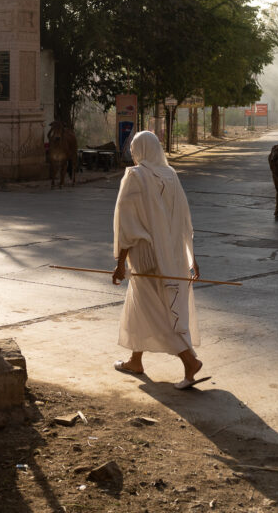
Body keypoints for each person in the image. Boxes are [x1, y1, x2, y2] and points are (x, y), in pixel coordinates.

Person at [111, 130, 205, 389]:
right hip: (171, 253)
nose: (131, 152)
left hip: (146, 255)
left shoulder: (135, 176)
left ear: (140, 150)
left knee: (155, 308)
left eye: (133, 148)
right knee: (143, 302)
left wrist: (120, 264)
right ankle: (135, 360)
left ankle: (189, 360)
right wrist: (191, 256)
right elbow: (186, 220)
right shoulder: (171, 175)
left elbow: (127, 227)